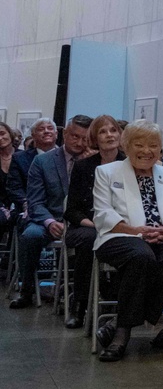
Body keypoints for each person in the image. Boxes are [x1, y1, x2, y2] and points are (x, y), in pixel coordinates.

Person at [92, 120, 163, 362]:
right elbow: (102, 213)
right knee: (141, 255)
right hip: (121, 235)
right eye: (139, 144)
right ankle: (122, 334)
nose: (147, 151)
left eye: (153, 145)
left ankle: (118, 321)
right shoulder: (107, 172)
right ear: (125, 145)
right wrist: (137, 231)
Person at [12, 115, 93, 309]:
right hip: (49, 217)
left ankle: (78, 293)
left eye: (85, 138)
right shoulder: (43, 161)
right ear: (64, 133)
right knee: (31, 235)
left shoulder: (94, 162)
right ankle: (27, 289)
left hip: (81, 221)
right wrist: (49, 221)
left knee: (90, 239)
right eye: (75, 136)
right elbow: (35, 201)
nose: (80, 142)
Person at [63, 115, 125, 329]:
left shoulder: (129, 164)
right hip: (87, 225)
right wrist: (95, 224)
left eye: (113, 130)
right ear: (94, 139)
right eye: (103, 131)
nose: (109, 135)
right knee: (90, 241)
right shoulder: (83, 167)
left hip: (121, 226)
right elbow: (71, 210)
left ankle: (119, 304)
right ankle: (80, 305)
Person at [6, 118, 57, 222]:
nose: (46, 131)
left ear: (56, 134)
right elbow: (14, 187)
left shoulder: (67, 157)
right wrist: (26, 203)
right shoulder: (19, 158)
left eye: (50, 128)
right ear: (33, 136)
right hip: (30, 208)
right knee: (31, 234)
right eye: (41, 129)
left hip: (59, 208)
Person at [0, 122, 16, 232]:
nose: (0, 138)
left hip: (19, 204)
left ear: (10, 134)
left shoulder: (24, 157)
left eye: (2, 133)